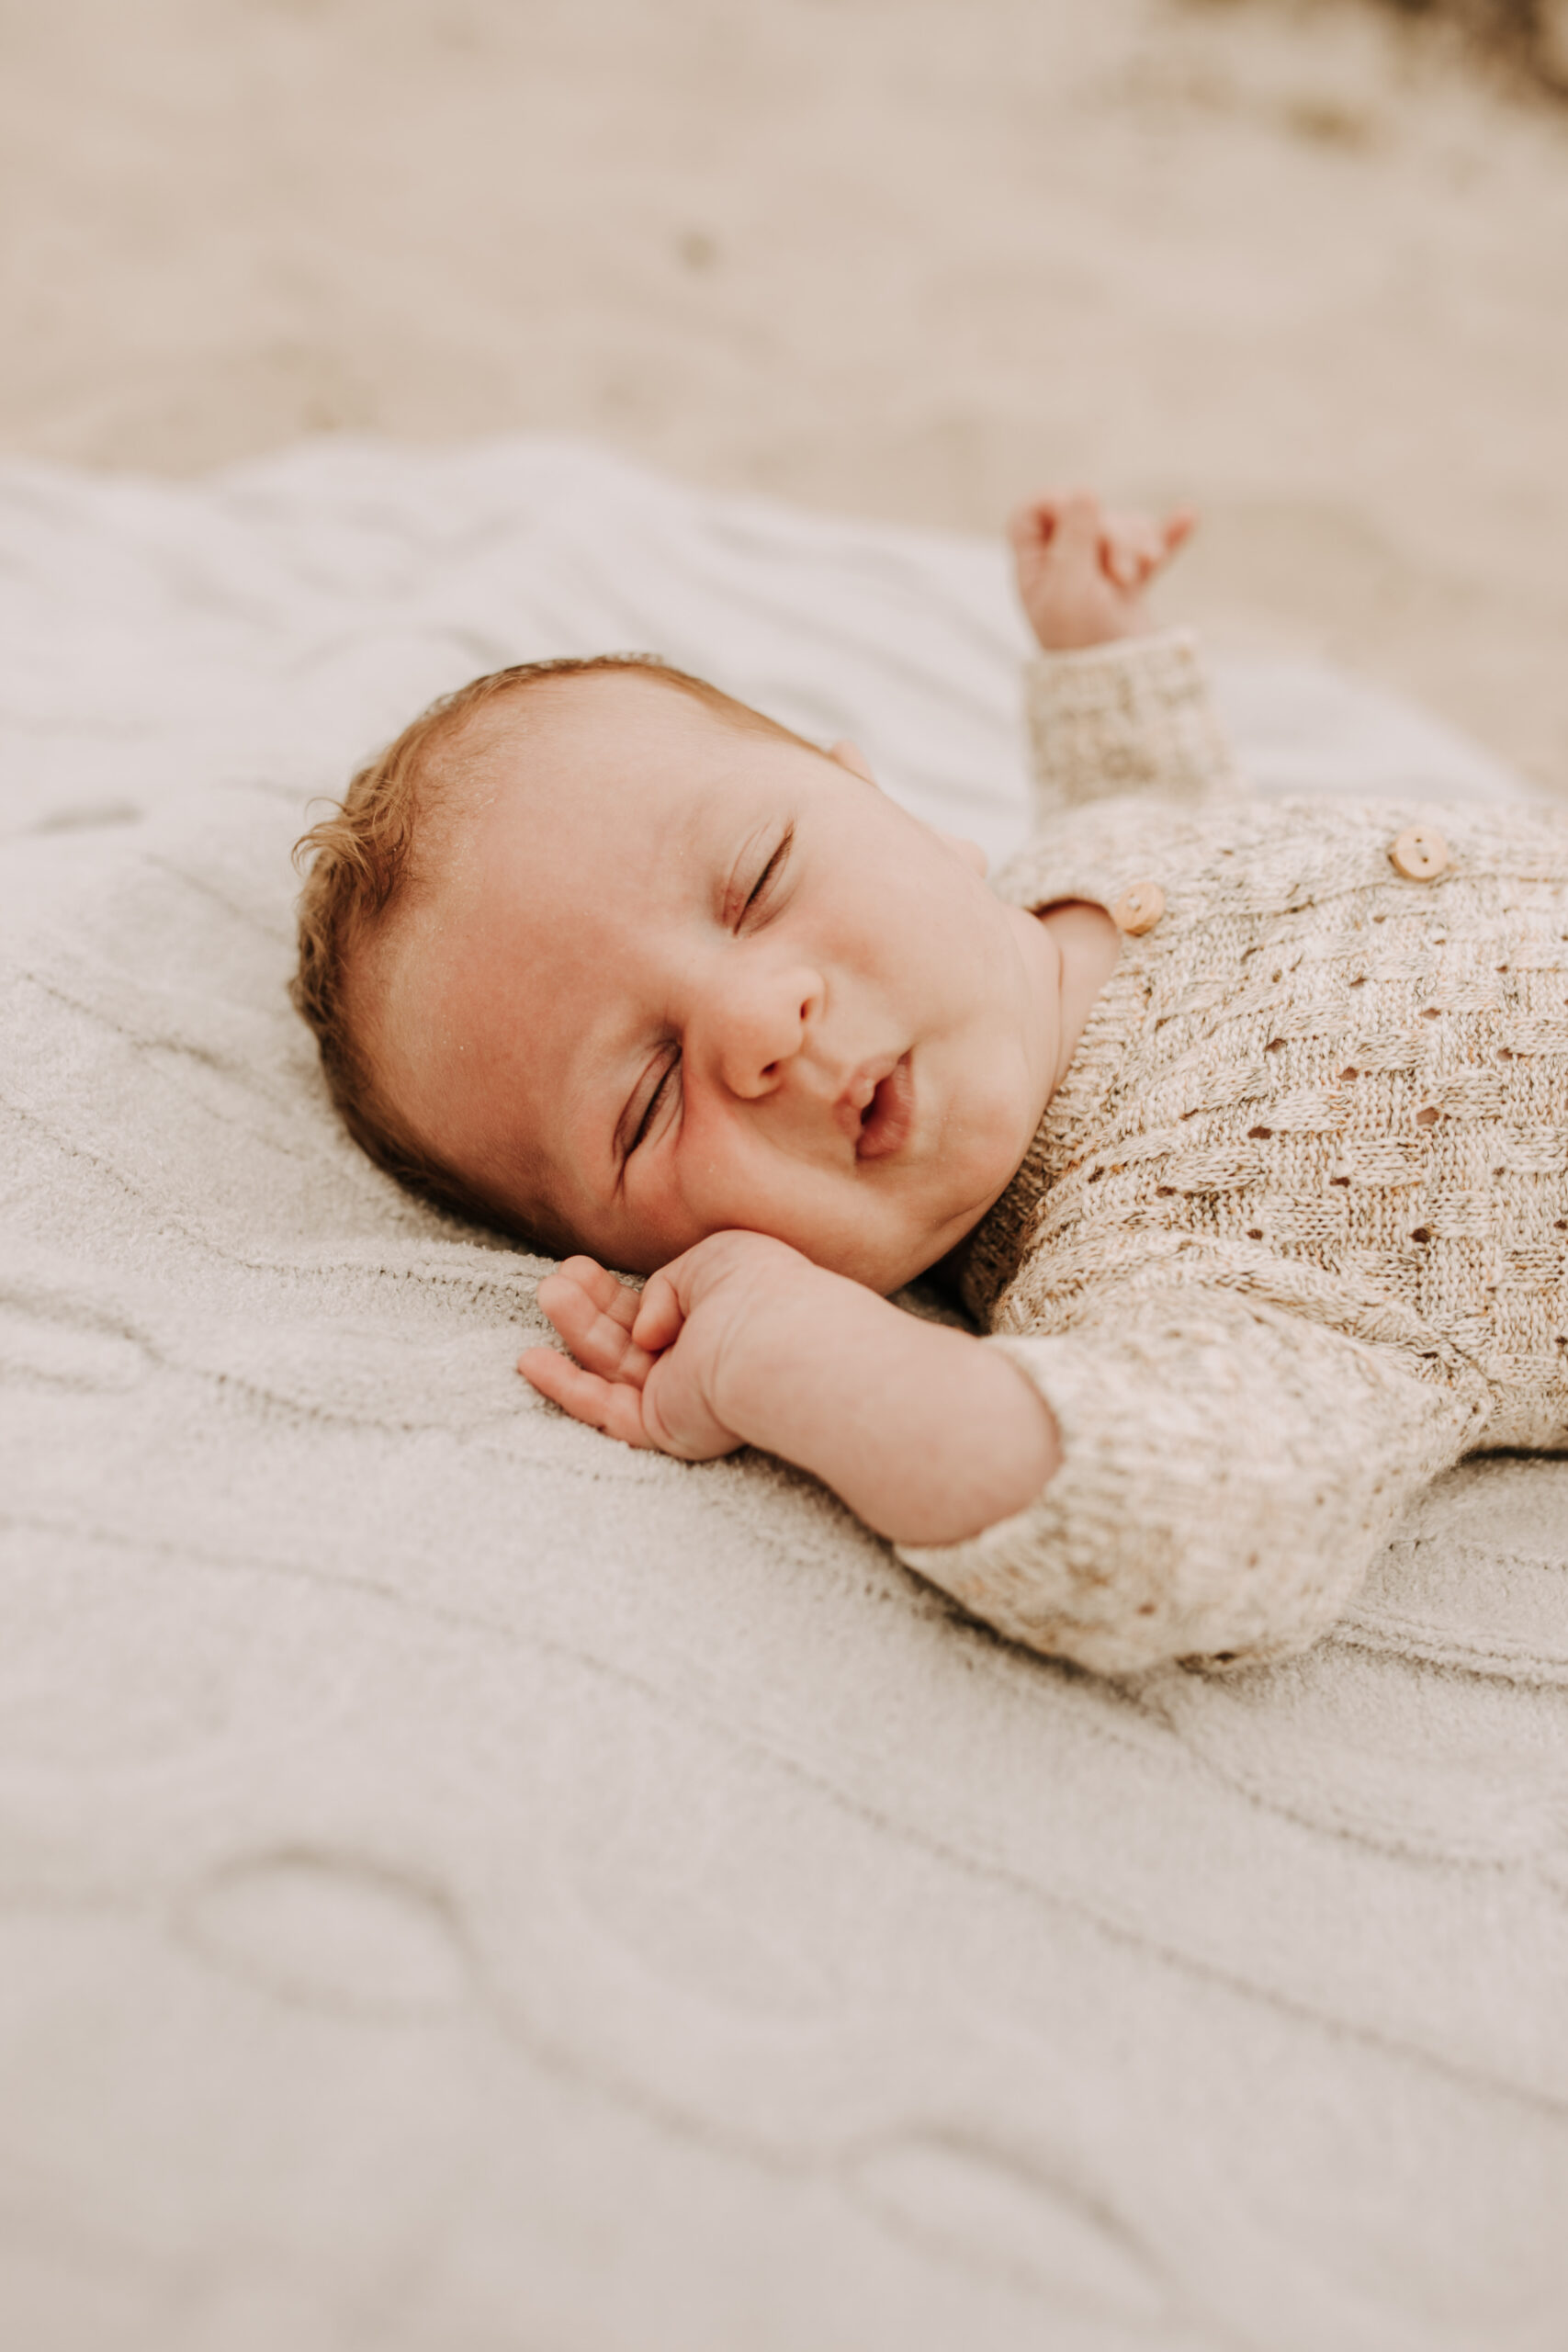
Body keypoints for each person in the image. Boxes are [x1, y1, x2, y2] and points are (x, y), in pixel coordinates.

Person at [291, 492, 1568, 1673]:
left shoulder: (1069, 866)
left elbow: (1157, 804)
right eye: (649, 1102)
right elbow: (1163, 1524)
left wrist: (1101, 659)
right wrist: (787, 1353)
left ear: (871, 793)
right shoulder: (1151, 1266)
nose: (756, 1025)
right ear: (651, 1258)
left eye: (757, 880)